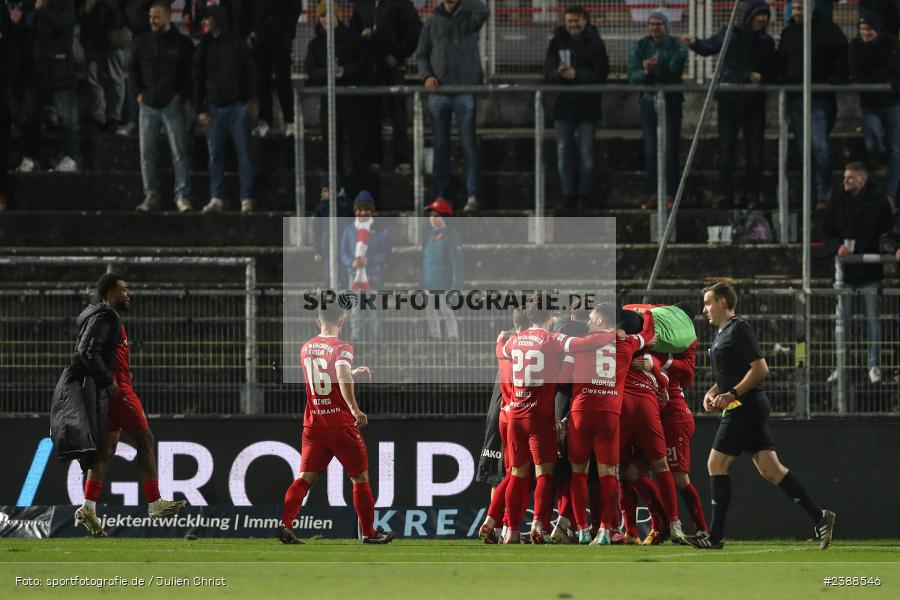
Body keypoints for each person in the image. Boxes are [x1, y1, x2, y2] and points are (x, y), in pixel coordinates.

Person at [685, 282, 836, 550]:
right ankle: (820, 516)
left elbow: (760, 369)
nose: (704, 309)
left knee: (715, 465)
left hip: (746, 406)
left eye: (708, 303)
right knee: (771, 469)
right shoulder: (722, 334)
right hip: (745, 404)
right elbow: (730, 373)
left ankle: (715, 536)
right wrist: (713, 392)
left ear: (722, 302)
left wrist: (732, 393)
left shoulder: (739, 327)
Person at [496, 295, 617, 543]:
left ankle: (512, 531)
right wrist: (615, 334)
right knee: (544, 474)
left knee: (516, 474)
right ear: (549, 317)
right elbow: (581, 347)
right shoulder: (552, 339)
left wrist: (499, 342)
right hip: (539, 418)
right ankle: (537, 528)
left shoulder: (513, 342)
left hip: (515, 416)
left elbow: (501, 350)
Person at [74, 273, 187, 537]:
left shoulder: (100, 316)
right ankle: (154, 502)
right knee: (145, 438)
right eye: (124, 289)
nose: (128, 294)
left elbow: (97, 352)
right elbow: (86, 351)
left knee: (106, 449)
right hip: (117, 390)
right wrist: (110, 381)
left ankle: (88, 506)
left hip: (110, 391)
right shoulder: (106, 316)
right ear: (110, 292)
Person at [278, 303, 394, 544]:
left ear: (317, 322)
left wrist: (352, 373)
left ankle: (285, 524)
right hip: (340, 424)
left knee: (305, 478)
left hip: (313, 424)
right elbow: (339, 375)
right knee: (359, 478)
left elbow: (326, 374)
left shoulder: (306, 348)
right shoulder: (342, 347)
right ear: (342, 320)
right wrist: (354, 408)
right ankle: (369, 534)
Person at [558, 303, 656, 544]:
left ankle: (581, 529)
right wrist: (647, 313)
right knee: (608, 473)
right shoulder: (628, 342)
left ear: (601, 321)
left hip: (581, 411)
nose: (588, 322)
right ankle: (605, 529)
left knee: (578, 472)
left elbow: (562, 379)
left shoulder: (580, 343)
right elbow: (648, 335)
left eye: (592, 318)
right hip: (609, 413)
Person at [681, 0, 776, 209]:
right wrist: (694, 42)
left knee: (756, 153)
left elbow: (773, 70)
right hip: (729, 101)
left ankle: (752, 195)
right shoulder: (729, 33)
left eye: (766, 15)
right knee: (726, 150)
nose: (763, 19)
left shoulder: (766, 42)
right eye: (759, 15)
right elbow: (709, 47)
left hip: (754, 104)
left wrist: (763, 77)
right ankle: (726, 195)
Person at [415, 0, 488, 212]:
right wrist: (427, 75)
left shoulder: (469, 17)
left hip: (465, 90)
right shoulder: (431, 23)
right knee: (441, 147)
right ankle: (444, 196)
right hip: (440, 92)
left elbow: (484, 10)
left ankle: (473, 195)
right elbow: (421, 55)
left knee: (468, 145)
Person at [823, 163, 892, 385]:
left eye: (850, 178)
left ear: (862, 179)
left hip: (870, 271)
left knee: (872, 320)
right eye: (845, 178)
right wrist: (837, 247)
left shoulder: (879, 202)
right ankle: (841, 365)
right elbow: (826, 230)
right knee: (842, 321)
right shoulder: (838, 200)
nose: (845, 182)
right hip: (844, 271)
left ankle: (874, 365)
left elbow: (887, 232)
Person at [777, 0, 848, 209]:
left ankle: (822, 194)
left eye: (800, 8)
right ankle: (811, 195)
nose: (797, 13)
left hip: (820, 98)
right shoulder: (789, 33)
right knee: (804, 149)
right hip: (797, 98)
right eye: (795, 8)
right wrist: (781, 76)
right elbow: (781, 59)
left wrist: (838, 76)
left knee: (820, 148)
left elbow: (842, 56)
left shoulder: (829, 31)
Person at [543, 4, 608, 214]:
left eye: (576, 21)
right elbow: (548, 71)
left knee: (586, 153)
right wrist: (559, 74)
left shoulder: (596, 43)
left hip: (588, 106)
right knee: (563, 151)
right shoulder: (556, 42)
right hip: (564, 106)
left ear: (585, 21)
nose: (572, 25)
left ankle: (584, 195)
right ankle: (568, 194)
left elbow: (601, 74)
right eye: (569, 21)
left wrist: (576, 75)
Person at [131, 1, 194, 213]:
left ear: (168, 17)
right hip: (148, 106)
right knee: (146, 154)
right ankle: (150, 195)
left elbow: (189, 75)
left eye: (156, 16)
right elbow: (133, 69)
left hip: (171, 106)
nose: (152, 21)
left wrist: (180, 97)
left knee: (179, 153)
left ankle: (182, 195)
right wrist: (139, 93)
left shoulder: (182, 44)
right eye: (150, 16)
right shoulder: (142, 42)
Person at [193, 5, 256, 213]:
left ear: (217, 19)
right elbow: (198, 79)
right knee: (215, 155)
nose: (203, 22)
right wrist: (199, 109)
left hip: (236, 107)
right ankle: (216, 196)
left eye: (207, 19)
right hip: (213, 109)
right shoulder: (204, 46)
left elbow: (250, 73)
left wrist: (247, 101)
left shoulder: (238, 44)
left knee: (244, 154)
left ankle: (246, 197)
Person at [305, 1, 373, 188]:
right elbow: (311, 71)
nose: (326, 19)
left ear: (338, 16)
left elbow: (365, 66)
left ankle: (362, 196)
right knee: (332, 152)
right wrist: (330, 73)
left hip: (353, 103)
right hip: (330, 103)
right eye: (322, 16)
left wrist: (342, 71)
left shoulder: (352, 38)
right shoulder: (315, 44)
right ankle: (336, 194)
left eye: (329, 15)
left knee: (358, 151)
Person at [476, 307, 529, 544]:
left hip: (500, 412)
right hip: (516, 410)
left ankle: (496, 527)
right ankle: (503, 525)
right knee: (513, 472)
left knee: (503, 474)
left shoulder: (505, 342)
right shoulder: (529, 344)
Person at [350, 0, 421, 173]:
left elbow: (414, 32)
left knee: (398, 113)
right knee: (372, 113)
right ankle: (374, 159)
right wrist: (362, 37)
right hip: (370, 68)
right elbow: (352, 34)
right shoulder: (361, 5)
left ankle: (402, 160)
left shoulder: (401, 3)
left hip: (394, 67)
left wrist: (397, 54)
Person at [628, 12, 687, 210]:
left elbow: (673, 74)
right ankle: (655, 193)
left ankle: (671, 194)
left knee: (670, 149)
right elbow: (633, 76)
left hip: (670, 104)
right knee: (651, 150)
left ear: (666, 26)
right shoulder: (640, 45)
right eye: (651, 24)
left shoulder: (677, 46)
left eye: (658, 24)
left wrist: (655, 69)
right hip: (647, 104)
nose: (654, 27)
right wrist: (646, 71)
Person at [849, 11, 900, 204]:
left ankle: (890, 194)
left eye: (869, 29)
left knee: (897, 150)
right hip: (870, 104)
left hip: (892, 103)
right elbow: (857, 73)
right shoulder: (855, 46)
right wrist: (881, 78)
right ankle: (879, 160)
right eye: (862, 29)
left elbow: (893, 70)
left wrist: (876, 78)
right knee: (873, 143)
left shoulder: (891, 45)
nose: (865, 33)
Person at [32, 0, 79, 172]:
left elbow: (64, 24)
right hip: (41, 67)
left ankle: (71, 156)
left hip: (61, 68)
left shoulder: (65, 3)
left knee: (65, 117)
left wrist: (42, 11)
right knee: (37, 116)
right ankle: (43, 157)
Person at [340, 191, 392, 341]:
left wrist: (370, 260)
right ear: (356, 211)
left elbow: (386, 253)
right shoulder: (349, 230)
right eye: (360, 209)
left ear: (372, 211)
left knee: (374, 310)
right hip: (354, 275)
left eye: (367, 209)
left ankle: (376, 340)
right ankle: (356, 340)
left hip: (373, 275)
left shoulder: (381, 230)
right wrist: (352, 262)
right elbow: (343, 252)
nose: (363, 213)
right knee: (355, 310)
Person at [250, 0, 302, 137]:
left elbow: (296, 6)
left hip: (282, 38)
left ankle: (289, 121)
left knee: (283, 79)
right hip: (261, 38)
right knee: (262, 80)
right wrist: (252, 29)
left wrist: (288, 30)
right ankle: (264, 120)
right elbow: (248, 7)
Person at [79, 0, 128, 133]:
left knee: (115, 77)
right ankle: (97, 117)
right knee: (92, 77)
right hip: (91, 31)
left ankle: (114, 117)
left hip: (114, 30)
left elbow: (127, 5)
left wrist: (126, 24)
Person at [421, 197, 463, 340]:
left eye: (437, 216)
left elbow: (457, 262)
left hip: (444, 282)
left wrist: (456, 284)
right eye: (431, 217)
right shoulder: (428, 236)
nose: (433, 220)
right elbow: (425, 260)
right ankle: (435, 335)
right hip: (429, 281)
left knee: (447, 311)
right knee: (430, 311)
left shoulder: (451, 235)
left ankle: (453, 335)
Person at [312, 175, 354, 286]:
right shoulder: (320, 208)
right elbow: (316, 231)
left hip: (344, 247)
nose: (323, 194)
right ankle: (330, 301)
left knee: (345, 277)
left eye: (326, 191)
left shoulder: (346, 206)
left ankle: (346, 301)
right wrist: (317, 250)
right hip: (327, 248)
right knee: (328, 278)